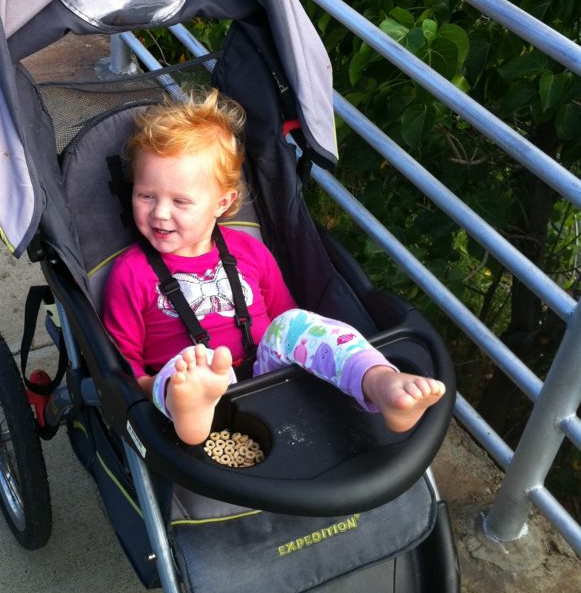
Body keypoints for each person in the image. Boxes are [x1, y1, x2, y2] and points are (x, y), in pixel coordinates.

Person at [102, 89, 445, 446]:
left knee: (297, 323)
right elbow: (125, 361)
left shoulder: (249, 251)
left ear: (222, 202)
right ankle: (191, 411)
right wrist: (157, 388)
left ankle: (377, 380)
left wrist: (302, 343)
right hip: (189, 390)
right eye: (145, 195)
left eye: (180, 201)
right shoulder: (130, 273)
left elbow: (285, 318)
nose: (159, 212)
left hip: (269, 376)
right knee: (186, 368)